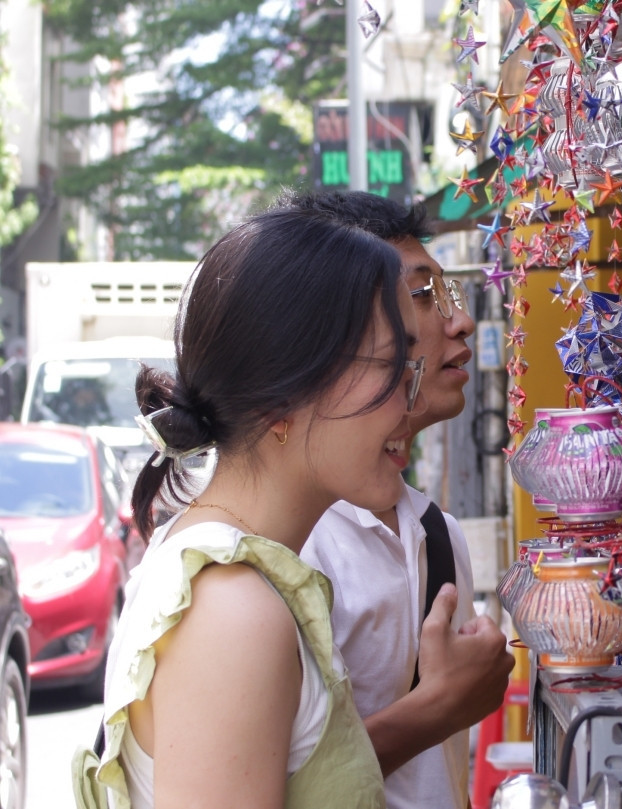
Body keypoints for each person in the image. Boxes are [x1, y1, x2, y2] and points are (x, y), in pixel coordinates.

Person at [73, 206, 426, 809]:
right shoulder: (232, 610)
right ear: (283, 395)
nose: (410, 403)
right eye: (393, 367)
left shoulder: (226, 571)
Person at [282, 190, 515, 809]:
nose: (459, 322)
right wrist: (436, 708)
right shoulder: (280, 543)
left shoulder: (436, 531)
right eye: (422, 296)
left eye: (446, 293)